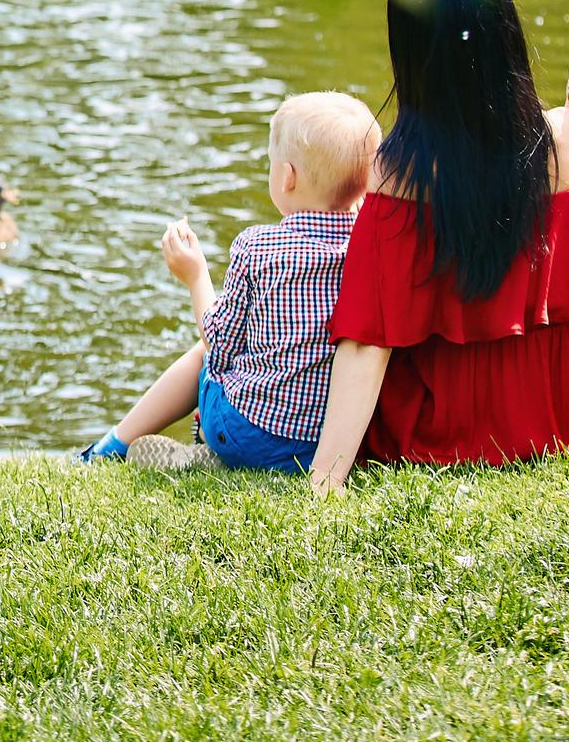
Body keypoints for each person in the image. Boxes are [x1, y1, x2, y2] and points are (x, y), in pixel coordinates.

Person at [309, 0, 569, 495]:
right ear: (506, 40)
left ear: (413, 58)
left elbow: (370, 340)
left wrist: (326, 481)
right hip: (548, 425)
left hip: (436, 434)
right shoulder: (568, 140)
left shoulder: (399, 172)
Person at [81, 91, 384, 471]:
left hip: (247, 431)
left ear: (287, 177)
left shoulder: (257, 247)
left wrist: (194, 276)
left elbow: (219, 346)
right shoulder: (371, 250)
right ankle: (203, 450)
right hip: (326, 442)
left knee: (202, 354)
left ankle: (109, 448)